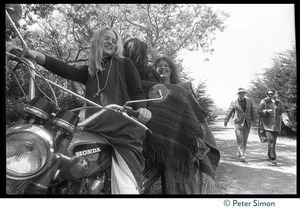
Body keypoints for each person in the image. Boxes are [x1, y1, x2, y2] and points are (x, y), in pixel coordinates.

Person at [6, 26, 152, 194]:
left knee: (125, 188)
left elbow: (137, 90)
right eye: (107, 38)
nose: (111, 42)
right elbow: (66, 70)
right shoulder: (91, 70)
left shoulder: (125, 63)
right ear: (97, 41)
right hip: (93, 127)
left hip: (123, 130)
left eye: (114, 40)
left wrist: (142, 110)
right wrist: (35, 55)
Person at [224, 88, 256, 162]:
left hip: (247, 123)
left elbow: (253, 112)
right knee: (240, 139)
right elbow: (229, 111)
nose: (241, 94)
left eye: (243, 93)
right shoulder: (234, 102)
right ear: (237, 94)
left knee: (245, 139)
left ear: (245, 94)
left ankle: (240, 151)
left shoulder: (249, 101)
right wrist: (226, 120)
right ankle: (242, 155)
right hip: (238, 123)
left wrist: (254, 121)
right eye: (240, 93)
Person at [257, 89, 284, 165]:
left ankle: (270, 153)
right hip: (267, 125)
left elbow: (281, 112)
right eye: (268, 94)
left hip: (276, 125)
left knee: (273, 142)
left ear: (275, 94)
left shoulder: (278, 102)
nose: (270, 95)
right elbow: (258, 111)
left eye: (272, 94)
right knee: (271, 140)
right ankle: (273, 158)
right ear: (266, 94)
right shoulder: (264, 101)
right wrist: (266, 111)